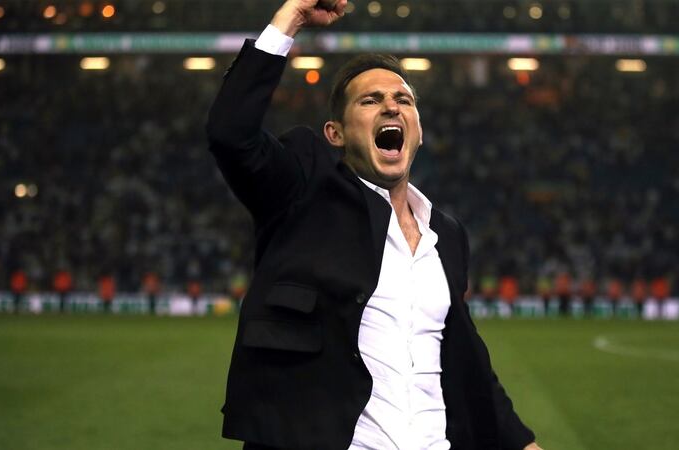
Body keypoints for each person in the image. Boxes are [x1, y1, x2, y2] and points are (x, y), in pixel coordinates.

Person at [206, 1, 543, 449]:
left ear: (418, 130)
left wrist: (521, 444)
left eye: (403, 99)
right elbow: (230, 133)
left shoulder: (447, 236)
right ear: (335, 133)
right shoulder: (305, 191)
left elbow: (464, 360)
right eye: (371, 100)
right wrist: (290, 18)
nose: (391, 105)